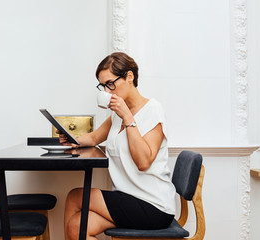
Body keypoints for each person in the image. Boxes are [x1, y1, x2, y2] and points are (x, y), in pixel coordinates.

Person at [58, 52, 176, 240]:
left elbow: (144, 162)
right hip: (127, 198)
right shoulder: (115, 115)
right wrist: (73, 139)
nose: (107, 91)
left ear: (129, 77)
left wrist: (128, 117)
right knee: (76, 226)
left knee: (75, 196)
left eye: (110, 84)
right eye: (103, 86)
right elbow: (95, 137)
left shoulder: (153, 110)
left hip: (152, 204)